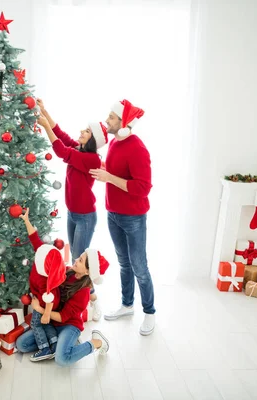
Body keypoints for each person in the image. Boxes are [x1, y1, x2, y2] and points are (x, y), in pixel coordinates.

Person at [89, 99, 156, 336]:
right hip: (113, 214)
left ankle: (149, 312)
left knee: (139, 266)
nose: (107, 120)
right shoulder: (116, 144)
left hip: (133, 218)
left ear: (124, 122)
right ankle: (127, 305)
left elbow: (143, 188)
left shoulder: (137, 147)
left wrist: (108, 178)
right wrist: (106, 169)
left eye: (111, 118)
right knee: (124, 263)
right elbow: (117, 172)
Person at [36, 98, 106, 321]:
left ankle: (93, 301)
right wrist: (45, 112)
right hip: (73, 214)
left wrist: (45, 128)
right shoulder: (79, 148)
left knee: (78, 261)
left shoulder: (92, 159)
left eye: (86, 131)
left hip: (85, 217)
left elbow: (61, 151)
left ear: (93, 139)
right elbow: (61, 135)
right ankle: (86, 298)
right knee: (76, 260)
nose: (81, 132)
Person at [15, 220, 111, 366]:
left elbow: (63, 316)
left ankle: (97, 342)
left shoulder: (83, 294)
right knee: (22, 344)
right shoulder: (66, 271)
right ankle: (60, 343)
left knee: (62, 359)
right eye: (79, 258)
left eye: (80, 260)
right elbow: (39, 246)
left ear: (87, 271)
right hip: (51, 323)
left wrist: (40, 310)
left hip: (68, 325)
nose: (76, 260)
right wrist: (27, 221)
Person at [19, 208, 66, 361]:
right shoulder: (43, 252)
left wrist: (45, 313)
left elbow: (49, 298)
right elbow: (34, 236)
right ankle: (54, 344)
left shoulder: (45, 279)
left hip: (46, 302)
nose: (36, 251)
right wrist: (26, 220)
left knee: (37, 324)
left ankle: (44, 348)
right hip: (44, 299)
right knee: (44, 324)